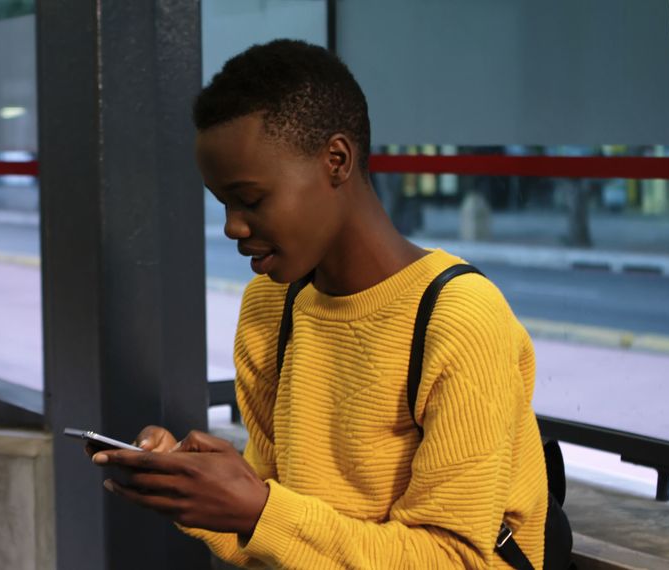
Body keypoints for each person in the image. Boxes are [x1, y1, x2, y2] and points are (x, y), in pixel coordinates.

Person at [89, 39, 550, 569]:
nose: (233, 227)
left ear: (336, 160)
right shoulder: (270, 306)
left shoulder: (459, 319)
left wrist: (260, 509)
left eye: (251, 199)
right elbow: (284, 537)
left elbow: (456, 559)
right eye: (224, 204)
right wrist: (209, 492)